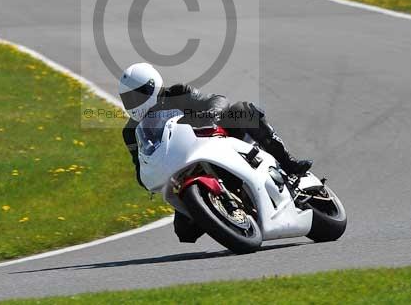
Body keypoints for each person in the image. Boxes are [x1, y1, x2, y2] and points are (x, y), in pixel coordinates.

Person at [119, 62, 312, 243]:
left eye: (137, 96)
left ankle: (288, 162)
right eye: (127, 99)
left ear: (152, 87)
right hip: (182, 167)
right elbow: (140, 163)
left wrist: (212, 113)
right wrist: (147, 176)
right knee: (184, 232)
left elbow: (216, 99)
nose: (133, 103)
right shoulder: (131, 132)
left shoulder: (178, 93)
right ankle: (225, 212)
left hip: (215, 140)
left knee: (242, 110)